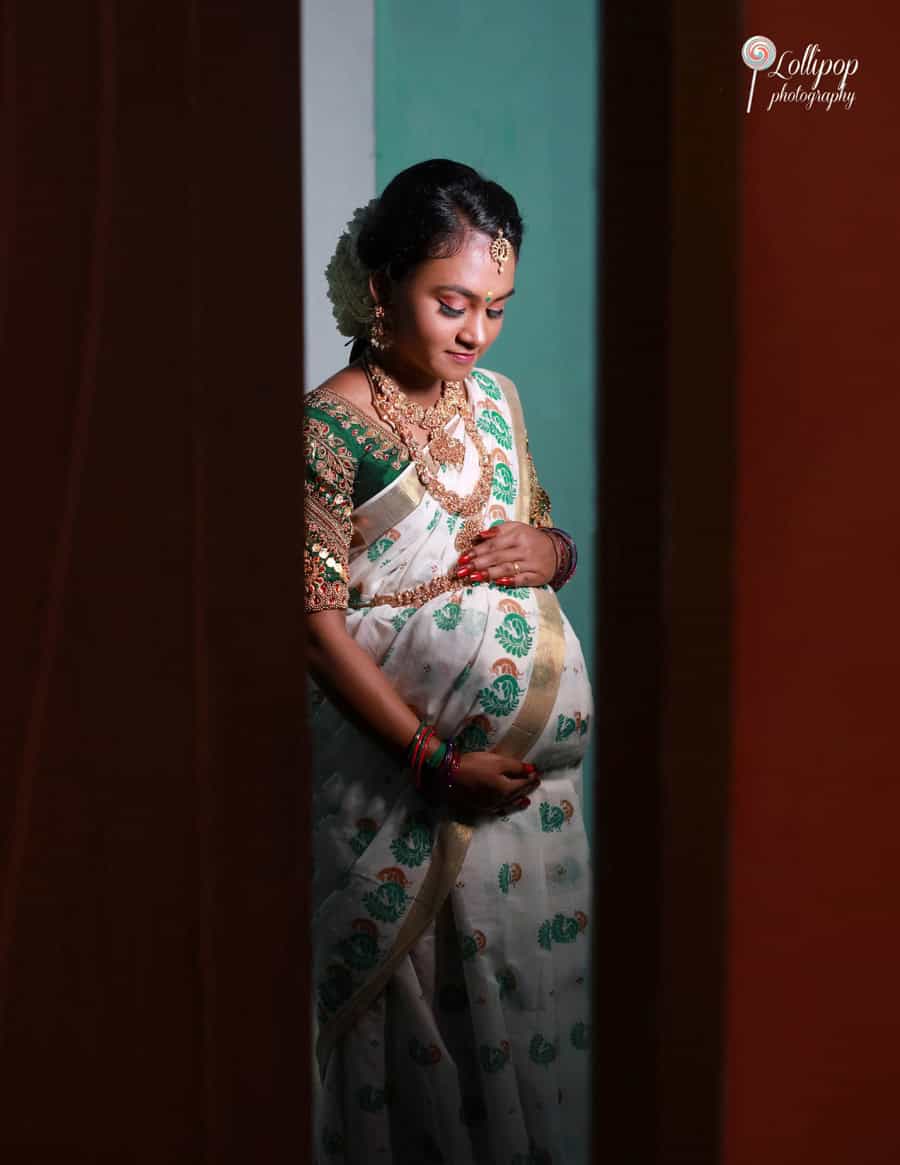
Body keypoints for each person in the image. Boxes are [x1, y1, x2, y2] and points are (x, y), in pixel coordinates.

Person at [306, 159, 592, 1165]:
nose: (475, 333)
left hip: (530, 812)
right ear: (382, 285)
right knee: (416, 1065)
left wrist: (550, 553)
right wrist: (432, 759)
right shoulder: (329, 425)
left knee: (526, 1045)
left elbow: (542, 533)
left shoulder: (497, 401)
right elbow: (310, 619)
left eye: (497, 310)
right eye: (453, 304)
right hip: (399, 796)